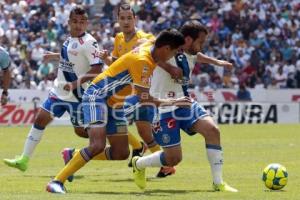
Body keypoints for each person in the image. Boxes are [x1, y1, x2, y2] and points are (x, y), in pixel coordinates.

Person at [46, 29, 187, 194]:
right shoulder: (143, 62)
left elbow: (143, 42)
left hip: (115, 104)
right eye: (175, 52)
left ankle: (73, 155)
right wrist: (174, 101)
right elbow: (145, 99)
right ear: (166, 49)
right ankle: (56, 182)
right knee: (97, 145)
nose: (172, 58)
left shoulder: (151, 46)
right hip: (97, 96)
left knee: (121, 152)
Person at [131, 21, 238, 192]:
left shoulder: (190, 51)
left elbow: (197, 56)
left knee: (212, 130)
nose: (201, 45)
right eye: (200, 42)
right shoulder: (167, 47)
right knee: (173, 159)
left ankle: (218, 183)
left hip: (185, 102)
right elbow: (141, 46)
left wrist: (218, 62)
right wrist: (168, 68)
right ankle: (140, 163)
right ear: (187, 39)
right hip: (164, 108)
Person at [3, 6, 103, 173]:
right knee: (40, 120)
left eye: (82, 22)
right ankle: (23, 159)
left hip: (77, 96)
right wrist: (56, 56)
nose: (78, 25)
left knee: (82, 133)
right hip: (59, 92)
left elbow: (97, 69)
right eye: (75, 22)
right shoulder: (70, 39)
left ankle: (76, 153)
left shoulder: (89, 42)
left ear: (87, 23)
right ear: (69, 22)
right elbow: (73, 55)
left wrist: (74, 84)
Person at [98, 3, 175, 177]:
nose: (126, 22)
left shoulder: (144, 36)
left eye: (129, 18)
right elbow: (117, 66)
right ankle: (166, 163)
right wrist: (106, 59)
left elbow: (159, 43)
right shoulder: (118, 38)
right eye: (122, 18)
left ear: (135, 19)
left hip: (142, 91)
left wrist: (147, 42)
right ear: (117, 20)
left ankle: (159, 158)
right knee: (144, 132)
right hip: (130, 91)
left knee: (120, 120)